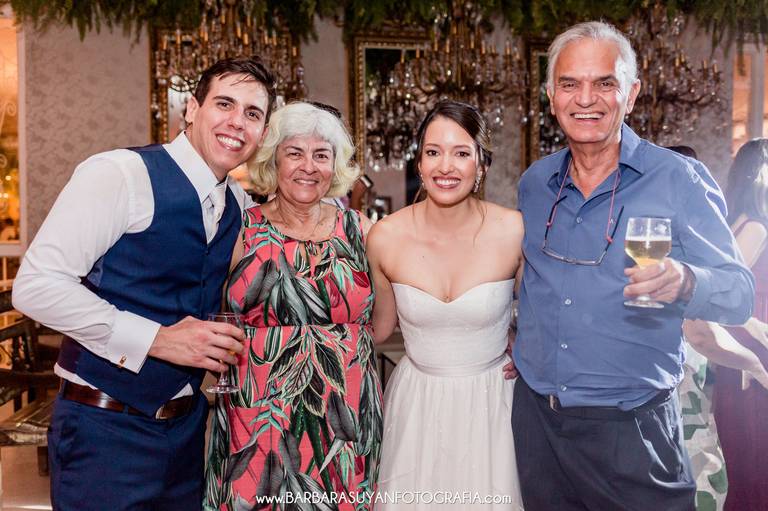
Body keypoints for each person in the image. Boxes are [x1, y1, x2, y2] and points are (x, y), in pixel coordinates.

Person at [12, 57, 276, 511]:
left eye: (253, 113)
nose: (238, 121)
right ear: (191, 109)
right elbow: (36, 286)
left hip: (187, 433)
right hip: (103, 431)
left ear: (263, 132)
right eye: (224, 104)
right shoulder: (120, 174)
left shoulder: (238, 203)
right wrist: (157, 339)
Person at [511, 21, 754, 511]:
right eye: (569, 84)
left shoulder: (678, 179)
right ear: (551, 96)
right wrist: (513, 334)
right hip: (539, 426)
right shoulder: (535, 183)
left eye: (605, 83)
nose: (586, 99)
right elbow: (529, 278)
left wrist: (687, 280)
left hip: (633, 434)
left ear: (632, 93)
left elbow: (739, 293)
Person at [203, 102, 382, 511]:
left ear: (335, 165)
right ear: (273, 160)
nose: (309, 167)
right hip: (257, 421)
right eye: (295, 153)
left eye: (322, 155)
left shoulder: (363, 231)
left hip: (344, 424)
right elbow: (206, 314)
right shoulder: (240, 229)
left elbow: (383, 322)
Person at [367, 100, 525, 510]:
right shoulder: (384, 236)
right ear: (419, 163)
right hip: (418, 405)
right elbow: (377, 328)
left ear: (481, 164)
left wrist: (524, 343)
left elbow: (543, 315)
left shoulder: (513, 230)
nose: (445, 166)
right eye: (433, 152)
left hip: (493, 404)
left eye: (461, 153)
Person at [703, 138, 768, 510]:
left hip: (741, 345)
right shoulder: (756, 226)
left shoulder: (736, 221)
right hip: (752, 348)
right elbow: (727, 294)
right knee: (755, 452)